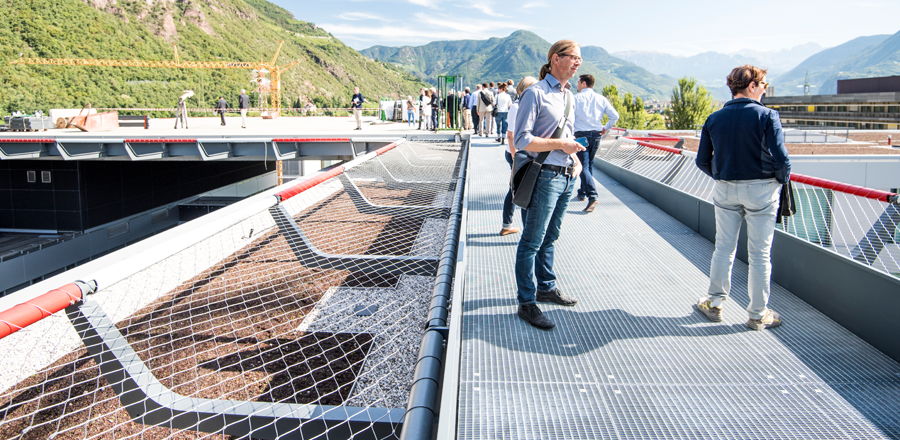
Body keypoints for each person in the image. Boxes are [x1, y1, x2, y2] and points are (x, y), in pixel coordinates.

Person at [694, 64, 791, 331]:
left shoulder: (714, 118)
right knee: (760, 254)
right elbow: (782, 159)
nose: (764, 90)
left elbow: (702, 160)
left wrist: (722, 175)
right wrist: (778, 180)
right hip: (761, 190)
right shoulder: (767, 116)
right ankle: (758, 314)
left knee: (723, 248)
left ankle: (714, 303)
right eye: (763, 85)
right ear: (751, 86)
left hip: (725, 188)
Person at [513, 40, 586, 330]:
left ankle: (546, 286)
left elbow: (568, 135)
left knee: (550, 236)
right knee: (531, 240)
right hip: (544, 176)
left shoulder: (569, 96)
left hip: (566, 175)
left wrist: (575, 160)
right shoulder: (536, 93)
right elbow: (522, 140)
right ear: (556, 59)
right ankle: (527, 302)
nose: (578, 63)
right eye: (574, 58)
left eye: (580, 59)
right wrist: (561, 145)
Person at [573, 73, 619, 212]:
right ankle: (582, 192)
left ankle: (592, 196)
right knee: (588, 165)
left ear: (583, 83)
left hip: (581, 135)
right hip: (596, 135)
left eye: (578, 82)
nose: (577, 84)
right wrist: (605, 128)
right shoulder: (601, 99)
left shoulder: (575, 98)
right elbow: (615, 116)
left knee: (582, 166)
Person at [500, 76, 538, 237]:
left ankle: (507, 224)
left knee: (516, 190)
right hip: (519, 155)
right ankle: (523, 230)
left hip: (519, 154)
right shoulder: (518, 107)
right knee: (523, 192)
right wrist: (517, 157)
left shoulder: (519, 105)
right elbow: (510, 135)